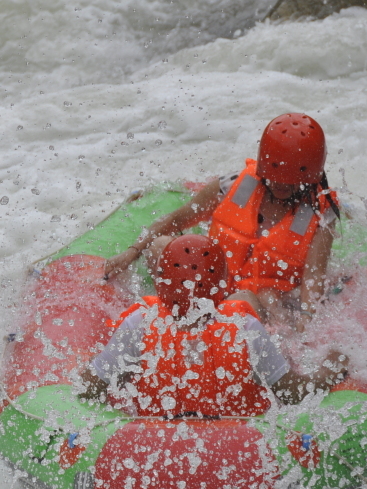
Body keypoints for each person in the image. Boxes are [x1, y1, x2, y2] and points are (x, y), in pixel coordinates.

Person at [104, 113, 341, 333]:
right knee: (160, 247)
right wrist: (131, 252)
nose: (280, 185)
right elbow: (177, 219)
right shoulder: (235, 184)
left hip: (261, 300)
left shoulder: (320, 217)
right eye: (274, 177)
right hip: (215, 279)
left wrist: (306, 319)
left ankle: (218, 341)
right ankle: (176, 324)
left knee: (255, 299)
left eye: (290, 181)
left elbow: (314, 279)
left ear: (309, 177)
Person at [81, 235, 348, 417]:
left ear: (161, 283)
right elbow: (294, 393)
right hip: (236, 448)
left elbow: (90, 389)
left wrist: (91, 365)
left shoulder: (138, 325)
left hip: (156, 445)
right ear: (222, 287)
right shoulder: (245, 328)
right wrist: (330, 370)